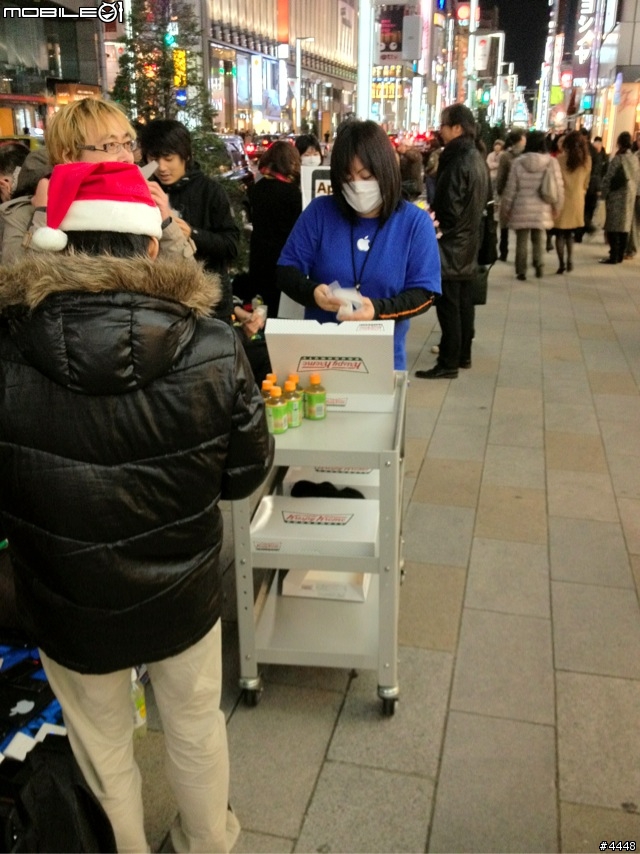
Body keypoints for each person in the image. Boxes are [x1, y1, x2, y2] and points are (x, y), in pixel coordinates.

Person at [0, 160, 274, 854]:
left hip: (66, 595)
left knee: (102, 745)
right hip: (179, 590)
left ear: (57, 242)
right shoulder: (214, 345)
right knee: (194, 726)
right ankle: (205, 843)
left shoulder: (8, 347)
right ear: (152, 245)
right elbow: (244, 475)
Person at [277, 119, 441, 371]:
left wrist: (376, 309)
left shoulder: (414, 223)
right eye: (347, 177)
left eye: (366, 175)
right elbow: (286, 270)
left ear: (385, 170)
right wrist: (312, 293)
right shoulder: (320, 213)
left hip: (383, 361)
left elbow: (423, 294)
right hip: (320, 359)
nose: (356, 185)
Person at [5, 99, 194, 265]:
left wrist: (167, 226)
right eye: (111, 145)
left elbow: (186, 288)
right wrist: (43, 216)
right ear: (70, 155)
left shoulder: (141, 206)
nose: (127, 157)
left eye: (128, 144)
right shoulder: (23, 215)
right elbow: (19, 292)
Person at [139, 118, 240, 321]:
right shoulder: (145, 191)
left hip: (211, 307)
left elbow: (232, 246)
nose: (162, 168)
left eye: (169, 158)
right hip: (163, 305)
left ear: (185, 155)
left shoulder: (210, 191)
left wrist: (194, 234)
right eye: (154, 159)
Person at [415, 104, 488, 380]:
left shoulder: (456, 159)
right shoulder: (476, 156)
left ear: (457, 128)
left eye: (443, 125)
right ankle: (462, 354)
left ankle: (448, 362)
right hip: (468, 241)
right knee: (463, 303)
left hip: (451, 245)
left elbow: (448, 209)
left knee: (449, 307)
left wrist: (430, 219)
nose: (440, 130)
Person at [247, 140, 302, 314]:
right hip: (284, 257)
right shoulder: (293, 193)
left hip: (260, 256)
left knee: (264, 306)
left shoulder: (256, 189)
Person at [500, 130, 564, 281]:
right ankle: (539, 265)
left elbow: (511, 189)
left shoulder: (518, 162)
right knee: (539, 238)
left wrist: (506, 209)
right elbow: (558, 187)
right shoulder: (551, 162)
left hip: (521, 206)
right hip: (542, 207)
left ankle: (521, 270)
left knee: (521, 240)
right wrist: (557, 207)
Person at [553, 129, 591, 273]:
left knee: (560, 234)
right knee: (570, 234)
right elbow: (586, 183)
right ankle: (570, 260)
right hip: (577, 199)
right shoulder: (586, 161)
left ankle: (561, 263)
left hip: (562, 199)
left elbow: (556, 181)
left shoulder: (559, 160)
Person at [600, 130, 640, 264]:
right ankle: (621, 255)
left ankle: (614, 255)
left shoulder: (618, 159)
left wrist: (603, 194)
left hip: (616, 196)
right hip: (630, 196)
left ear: (619, 143)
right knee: (625, 227)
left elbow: (608, 177)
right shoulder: (634, 159)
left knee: (613, 227)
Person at [495, 129, 526, 262]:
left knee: (517, 228)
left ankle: (515, 256)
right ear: (518, 141)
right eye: (523, 138)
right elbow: (501, 176)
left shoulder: (525, 156)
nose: (525, 141)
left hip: (521, 196)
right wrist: (500, 192)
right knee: (504, 226)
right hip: (509, 194)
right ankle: (504, 251)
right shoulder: (506, 156)